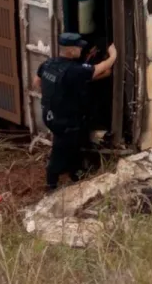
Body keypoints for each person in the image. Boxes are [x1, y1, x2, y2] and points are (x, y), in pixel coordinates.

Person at [33, 33, 117, 191]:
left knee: (73, 143)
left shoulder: (49, 64)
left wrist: (55, 95)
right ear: (71, 51)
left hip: (50, 115)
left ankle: (76, 173)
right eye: (79, 47)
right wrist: (113, 55)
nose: (81, 50)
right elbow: (99, 68)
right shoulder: (74, 69)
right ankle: (51, 183)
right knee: (60, 149)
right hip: (64, 120)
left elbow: (37, 82)